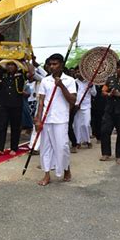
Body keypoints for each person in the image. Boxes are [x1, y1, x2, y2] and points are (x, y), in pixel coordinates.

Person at [35, 54, 77, 186]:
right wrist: (38, 118)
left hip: (61, 119)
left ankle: (66, 168)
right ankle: (46, 174)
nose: (52, 67)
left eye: (55, 64)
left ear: (61, 65)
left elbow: (73, 100)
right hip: (46, 119)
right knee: (45, 147)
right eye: (50, 64)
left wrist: (61, 86)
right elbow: (41, 101)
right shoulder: (45, 81)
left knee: (62, 147)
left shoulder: (69, 80)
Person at [0, 59, 26, 155]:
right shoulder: (3, 76)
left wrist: (25, 61)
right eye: (8, 65)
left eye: (12, 65)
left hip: (16, 105)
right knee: (2, 126)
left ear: (16, 67)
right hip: (4, 105)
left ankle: (14, 148)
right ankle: (0, 148)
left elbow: (31, 72)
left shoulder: (20, 76)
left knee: (15, 127)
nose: (10, 67)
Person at [73, 71, 97, 148]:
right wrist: (75, 104)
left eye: (80, 72)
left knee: (86, 124)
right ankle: (78, 142)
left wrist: (91, 87)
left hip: (86, 106)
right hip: (77, 106)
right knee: (77, 125)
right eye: (77, 72)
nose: (78, 73)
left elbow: (94, 93)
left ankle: (87, 140)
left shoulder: (90, 82)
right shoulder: (74, 82)